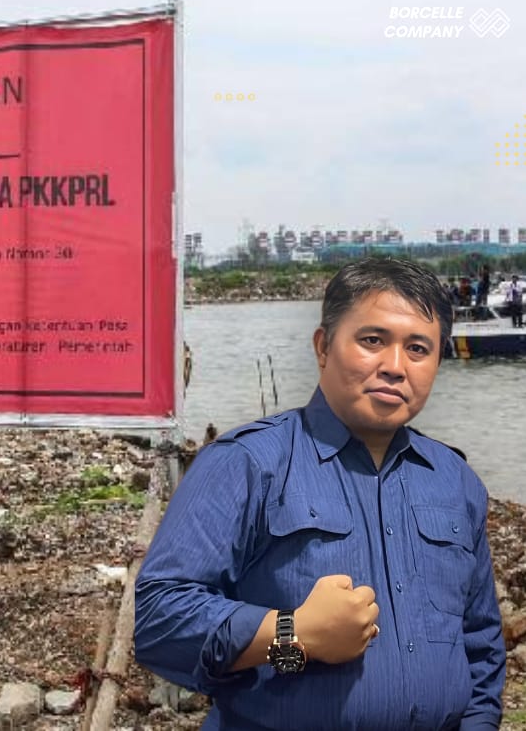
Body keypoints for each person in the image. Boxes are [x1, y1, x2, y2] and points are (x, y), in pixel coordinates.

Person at [134, 258, 505, 730]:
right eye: (372, 341)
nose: (394, 366)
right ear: (323, 346)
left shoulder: (454, 480)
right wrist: (295, 635)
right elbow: (159, 618)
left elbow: (480, 646)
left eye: (418, 348)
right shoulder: (248, 463)